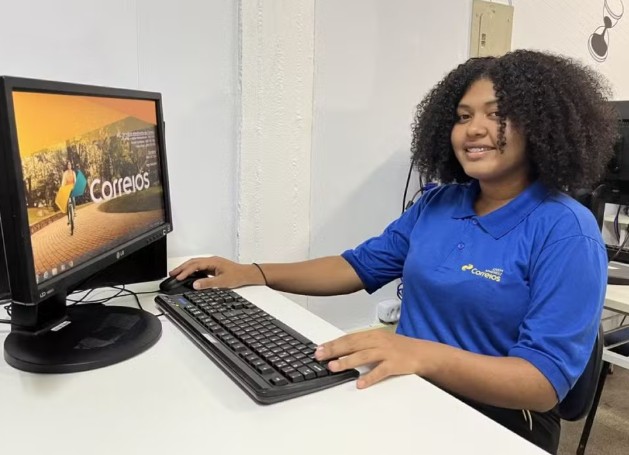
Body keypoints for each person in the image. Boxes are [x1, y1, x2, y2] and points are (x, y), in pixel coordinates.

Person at [168, 50, 618, 453]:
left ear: (540, 127)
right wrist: (256, 272)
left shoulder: (566, 232)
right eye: (462, 116)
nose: (474, 129)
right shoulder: (438, 204)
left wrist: (418, 353)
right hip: (411, 390)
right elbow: (356, 266)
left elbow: (542, 383)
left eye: (497, 114)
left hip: (497, 421)